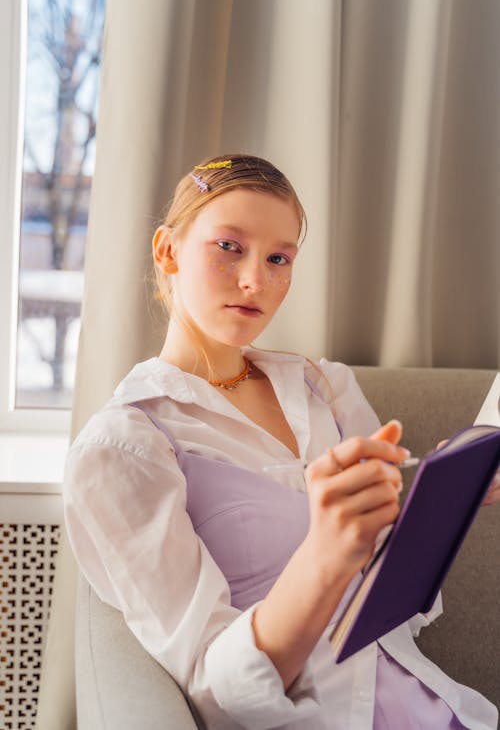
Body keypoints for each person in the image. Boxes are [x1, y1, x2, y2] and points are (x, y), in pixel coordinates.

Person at [64, 154, 499, 730]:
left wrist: (453, 496)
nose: (256, 281)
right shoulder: (122, 448)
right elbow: (215, 690)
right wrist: (325, 555)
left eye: (278, 258)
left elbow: (398, 604)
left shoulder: (325, 388)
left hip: (432, 704)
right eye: (228, 247)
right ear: (168, 250)